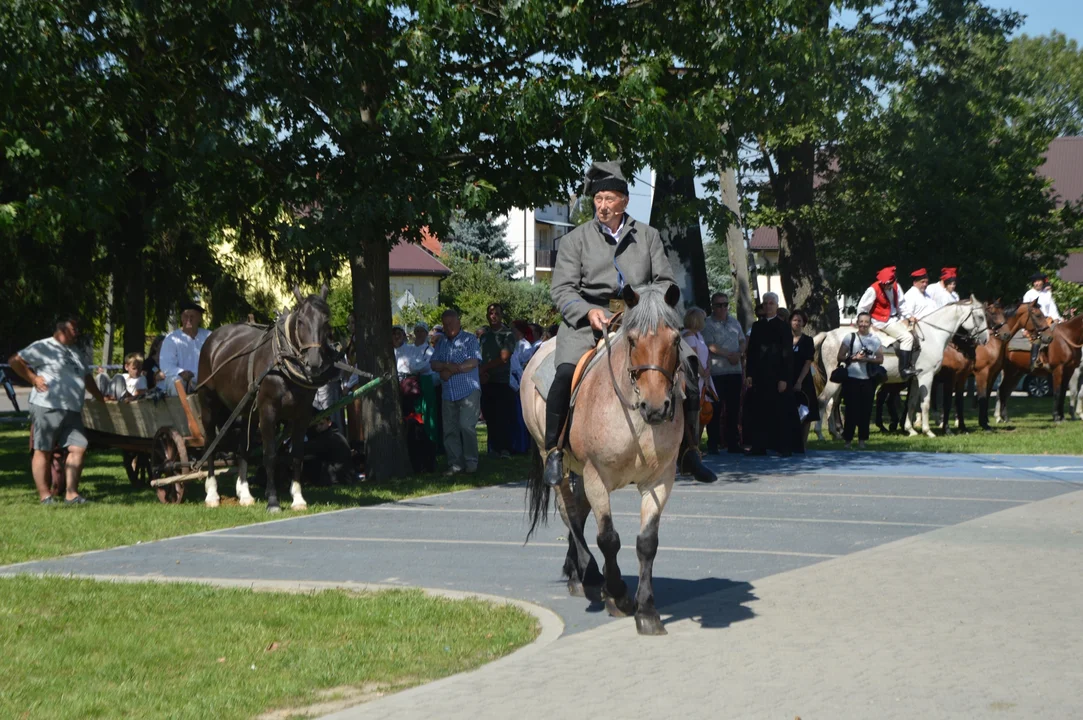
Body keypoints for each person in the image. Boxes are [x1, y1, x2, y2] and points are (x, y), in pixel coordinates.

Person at [545, 160, 715, 486]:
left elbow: (665, 281)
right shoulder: (574, 240)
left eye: (609, 199)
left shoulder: (648, 237)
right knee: (566, 372)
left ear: (624, 200)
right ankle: (554, 449)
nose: (603, 206)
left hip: (640, 321)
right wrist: (587, 311)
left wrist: (646, 305)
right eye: (598, 200)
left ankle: (690, 450)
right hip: (587, 325)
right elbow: (562, 289)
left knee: (689, 365)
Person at [8, 315, 107, 504]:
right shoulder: (44, 346)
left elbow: (86, 377)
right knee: (43, 450)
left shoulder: (75, 352)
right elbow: (15, 361)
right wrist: (33, 379)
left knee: (79, 447)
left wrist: (100, 397)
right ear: (61, 330)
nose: (77, 332)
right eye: (73, 329)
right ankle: (45, 495)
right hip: (47, 406)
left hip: (72, 410)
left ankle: (71, 494)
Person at [430, 308, 483, 475]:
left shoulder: (469, 339)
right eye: (445, 325)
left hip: (468, 390)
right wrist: (446, 366)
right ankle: (455, 464)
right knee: (450, 430)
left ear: (458, 323)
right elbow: (433, 364)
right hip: (448, 393)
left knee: (466, 426)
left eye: (450, 324)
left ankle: (471, 462)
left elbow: (473, 361)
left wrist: (454, 369)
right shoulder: (441, 342)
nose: (447, 328)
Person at [744, 292, 796, 456]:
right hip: (759, 375)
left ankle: (783, 447)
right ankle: (759, 446)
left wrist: (784, 379)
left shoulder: (783, 327)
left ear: (776, 306)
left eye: (771, 303)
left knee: (780, 412)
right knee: (759, 412)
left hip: (777, 376)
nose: (768, 306)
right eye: (765, 303)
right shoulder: (757, 326)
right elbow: (751, 352)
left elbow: (787, 354)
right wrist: (749, 374)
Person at [702, 291, 746, 454]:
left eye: (725, 304)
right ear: (713, 306)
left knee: (734, 409)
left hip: (735, 372)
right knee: (716, 409)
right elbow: (710, 345)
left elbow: (742, 340)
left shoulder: (734, 322)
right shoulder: (707, 323)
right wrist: (729, 355)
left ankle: (733, 443)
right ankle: (713, 444)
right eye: (719, 305)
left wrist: (740, 353)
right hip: (716, 373)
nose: (722, 308)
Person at [856, 266, 916, 378]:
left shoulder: (896, 287)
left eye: (887, 284)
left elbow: (902, 305)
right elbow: (862, 308)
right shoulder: (873, 289)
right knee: (907, 338)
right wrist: (867, 324)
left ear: (893, 281)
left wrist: (909, 316)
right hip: (882, 322)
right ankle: (904, 369)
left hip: (895, 319)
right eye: (883, 283)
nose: (884, 286)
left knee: (916, 334)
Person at [837, 311, 884, 450]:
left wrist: (867, 359)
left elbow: (880, 359)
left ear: (870, 324)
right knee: (851, 411)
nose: (863, 324)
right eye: (861, 322)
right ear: (857, 323)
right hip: (851, 378)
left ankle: (862, 440)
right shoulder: (850, 337)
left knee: (866, 411)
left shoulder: (875, 340)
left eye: (866, 322)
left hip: (868, 379)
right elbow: (840, 356)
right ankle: (848, 440)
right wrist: (852, 358)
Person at [478, 303, 517, 459]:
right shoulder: (485, 336)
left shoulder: (507, 335)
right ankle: (493, 448)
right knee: (490, 416)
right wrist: (481, 372)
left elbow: (504, 357)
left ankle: (505, 449)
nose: (493, 316)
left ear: (502, 316)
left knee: (502, 417)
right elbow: (480, 356)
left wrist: (484, 368)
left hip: (502, 381)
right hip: (486, 381)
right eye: (491, 313)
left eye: (497, 313)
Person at [160, 300, 212, 394]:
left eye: (192, 316)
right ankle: (179, 408)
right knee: (175, 381)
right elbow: (166, 365)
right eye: (185, 316)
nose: (188, 319)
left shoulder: (208, 336)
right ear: (181, 318)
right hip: (181, 379)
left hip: (204, 379)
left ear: (199, 318)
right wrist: (181, 372)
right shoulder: (172, 339)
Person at [790, 309, 818, 452]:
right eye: (794, 320)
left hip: (803, 380)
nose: (797, 323)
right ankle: (789, 443)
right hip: (787, 379)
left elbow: (808, 362)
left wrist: (800, 381)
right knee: (789, 412)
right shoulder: (785, 339)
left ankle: (803, 444)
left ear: (804, 323)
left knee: (806, 413)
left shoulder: (808, 340)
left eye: (799, 320)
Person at [508, 320, 538, 454]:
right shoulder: (514, 344)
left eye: (513, 329)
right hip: (513, 381)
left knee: (520, 416)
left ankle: (522, 445)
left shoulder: (525, 346)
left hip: (519, 382)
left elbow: (523, 366)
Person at [1023, 272, 1062, 370]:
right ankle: (1034, 360)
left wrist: (1057, 318)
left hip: (1048, 320)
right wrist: (1024, 328)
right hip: (1035, 322)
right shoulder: (1029, 294)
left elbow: (1052, 308)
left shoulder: (1047, 294)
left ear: (1042, 282)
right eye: (1035, 282)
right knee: (1038, 337)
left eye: (1038, 281)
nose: (1037, 283)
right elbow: (1024, 312)